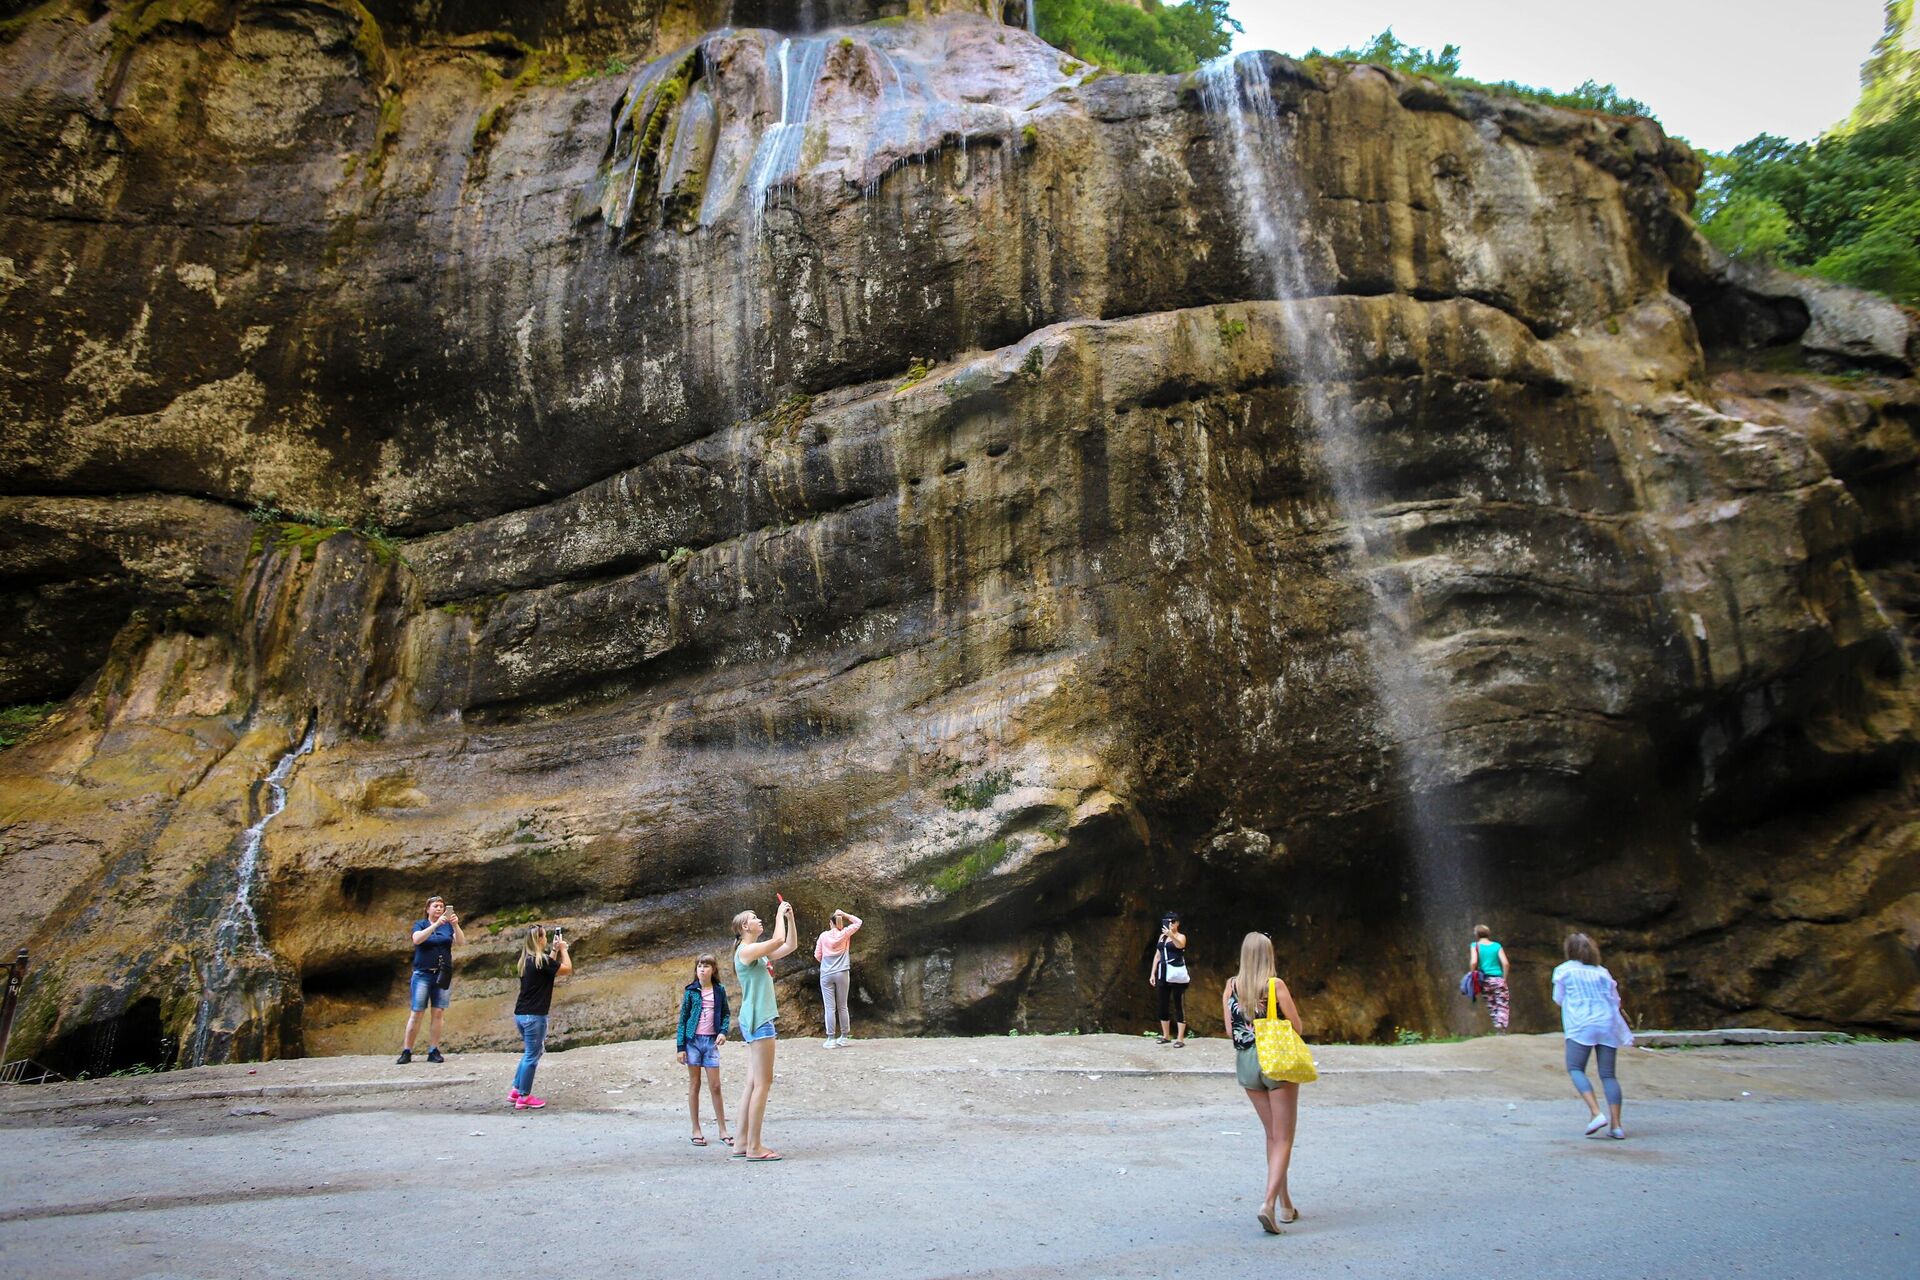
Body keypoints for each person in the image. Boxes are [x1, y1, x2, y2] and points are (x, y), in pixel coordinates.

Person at [1221, 931, 1303, 1234]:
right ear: (1268, 955)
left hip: (1247, 1064)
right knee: (1283, 1138)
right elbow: (1297, 1026)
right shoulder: (1275, 986)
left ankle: (1286, 1205)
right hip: (1276, 1063)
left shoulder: (1231, 987)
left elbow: (1231, 1032)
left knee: (1272, 1136)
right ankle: (1268, 1203)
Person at [732, 898, 797, 1161]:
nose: (759, 920)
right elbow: (779, 940)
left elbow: (790, 945)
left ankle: (741, 1142)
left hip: (753, 1019)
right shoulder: (746, 951)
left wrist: (790, 918)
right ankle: (755, 1147)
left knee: (752, 1083)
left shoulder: (756, 953)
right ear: (745, 927)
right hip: (759, 1020)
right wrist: (779, 913)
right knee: (763, 1084)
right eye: (755, 917)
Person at [1552, 931, 1633, 1140]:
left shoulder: (1563, 971)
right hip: (1607, 1023)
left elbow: (1558, 998)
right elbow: (1615, 1000)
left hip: (1581, 1025)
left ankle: (1596, 1113)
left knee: (1576, 1068)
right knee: (1608, 1075)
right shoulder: (1602, 972)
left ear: (1569, 950)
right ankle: (1616, 1126)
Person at [508, 924, 572, 1109]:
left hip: (521, 1015)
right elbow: (566, 968)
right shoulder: (541, 961)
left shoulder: (528, 961)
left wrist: (553, 951)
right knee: (532, 1056)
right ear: (539, 939)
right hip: (534, 1016)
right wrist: (563, 950)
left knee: (530, 1052)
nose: (546, 939)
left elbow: (547, 971)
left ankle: (516, 1090)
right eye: (544, 936)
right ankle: (524, 1096)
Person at [398, 895, 464, 1064]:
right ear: (428, 909)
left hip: (442, 973)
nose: (439, 909)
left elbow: (461, 942)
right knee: (417, 1012)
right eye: (435, 906)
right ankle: (407, 1050)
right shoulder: (421, 924)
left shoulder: (448, 926)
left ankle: (433, 1050)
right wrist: (436, 924)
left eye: (441, 906)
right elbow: (417, 939)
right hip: (422, 974)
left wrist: (455, 924)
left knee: (438, 1012)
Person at [676, 953, 732, 1146]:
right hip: (693, 1042)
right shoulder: (691, 991)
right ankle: (696, 1129)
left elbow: (725, 1013)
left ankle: (723, 1129)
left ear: (713, 969)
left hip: (711, 1042)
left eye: (706, 966)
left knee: (715, 1086)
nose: (702, 969)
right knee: (694, 1084)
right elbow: (683, 1020)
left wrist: (723, 1032)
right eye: (699, 966)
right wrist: (680, 1047)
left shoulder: (719, 990)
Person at [814, 908, 863, 1047]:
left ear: (831, 923)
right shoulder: (845, 933)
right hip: (842, 972)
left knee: (830, 1007)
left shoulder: (823, 936)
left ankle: (830, 1039)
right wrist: (845, 915)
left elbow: (817, 955)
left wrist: (827, 962)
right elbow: (859, 922)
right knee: (842, 1006)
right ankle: (844, 1037)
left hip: (826, 974)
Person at [1149, 910, 1190, 1046]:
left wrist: (1171, 935)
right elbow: (1157, 955)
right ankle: (1166, 1035)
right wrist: (1152, 973)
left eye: (1172, 921)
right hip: (1163, 973)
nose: (1170, 923)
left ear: (1177, 923)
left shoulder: (1180, 936)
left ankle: (1180, 1038)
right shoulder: (1161, 937)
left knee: (1178, 1003)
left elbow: (1180, 945)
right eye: (1168, 921)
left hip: (1176, 973)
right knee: (1163, 1004)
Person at [1467, 924, 1511, 1032]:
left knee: (1492, 1004)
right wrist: (1504, 978)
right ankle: (1501, 1025)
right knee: (1502, 1003)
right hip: (1498, 978)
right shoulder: (1496, 946)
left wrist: (1473, 974)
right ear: (1488, 933)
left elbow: (1473, 962)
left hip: (1485, 980)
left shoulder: (1475, 945)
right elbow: (1505, 963)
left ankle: (1498, 1025)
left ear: (1477, 934)